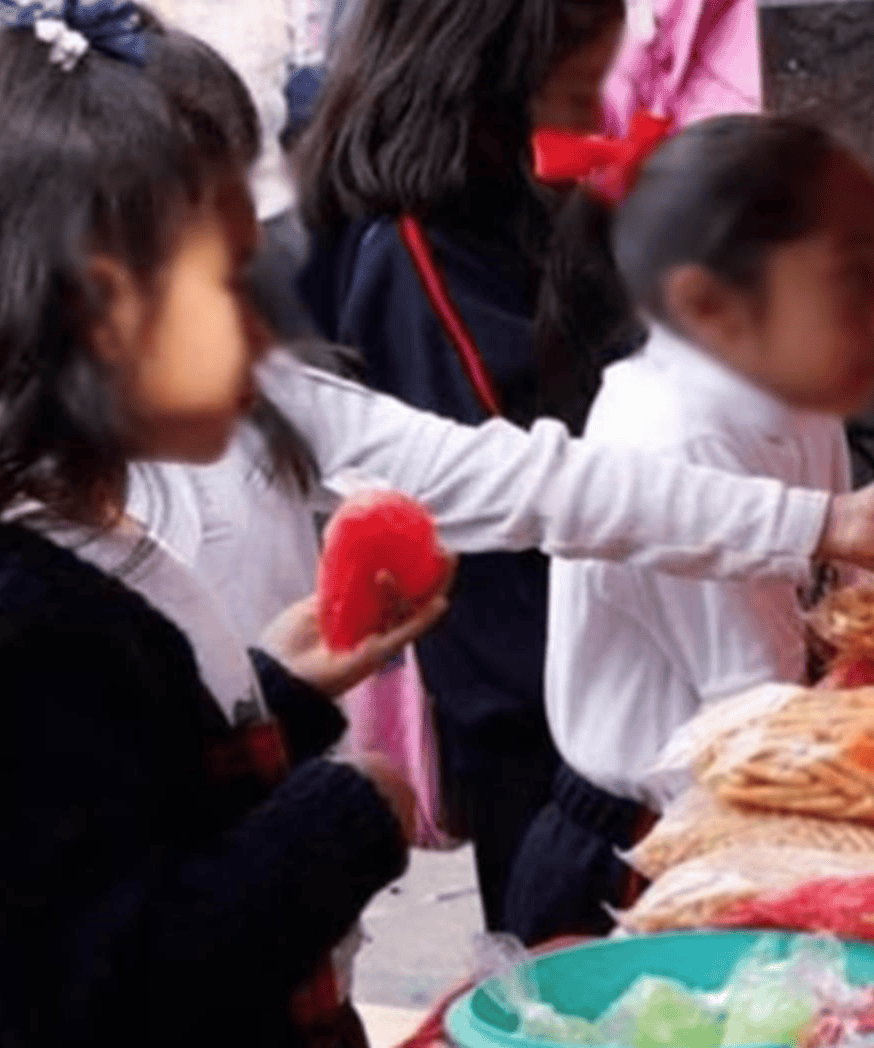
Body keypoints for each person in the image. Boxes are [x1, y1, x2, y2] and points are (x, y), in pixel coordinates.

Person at [0, 7, 446, 1045]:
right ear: (110, 309)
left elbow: (129, 804)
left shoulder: (51, 549)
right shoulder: (14, 626)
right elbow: (125, 980)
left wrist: (278, 689)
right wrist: (356, 809)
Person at [505, 114, 874, 944]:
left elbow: (842, 607)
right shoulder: (673, 438)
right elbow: (750, 712)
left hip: (760, 800)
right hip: (656, 848)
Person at [295, 0, 632, 933]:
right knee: (563, 980)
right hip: (540, 700)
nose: (594, 106)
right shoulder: (420, 247)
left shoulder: (513, 202)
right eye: (574, 84)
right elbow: (525, 479)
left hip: (588, 667)